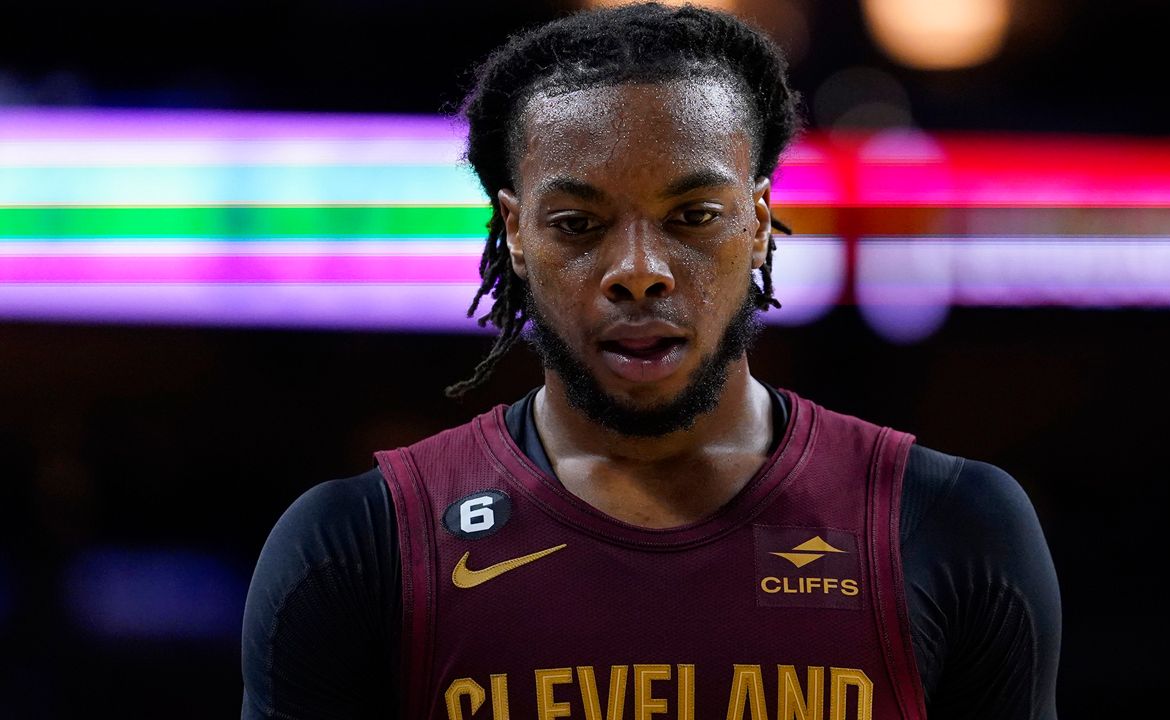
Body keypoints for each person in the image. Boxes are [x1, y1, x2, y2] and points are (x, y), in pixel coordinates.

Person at [241, 4, 1061, 719]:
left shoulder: (953, 526)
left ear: (759, 220)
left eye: (694, 214)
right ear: (516, 235)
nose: (639, 269)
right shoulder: (356, 547)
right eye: (577, 223)